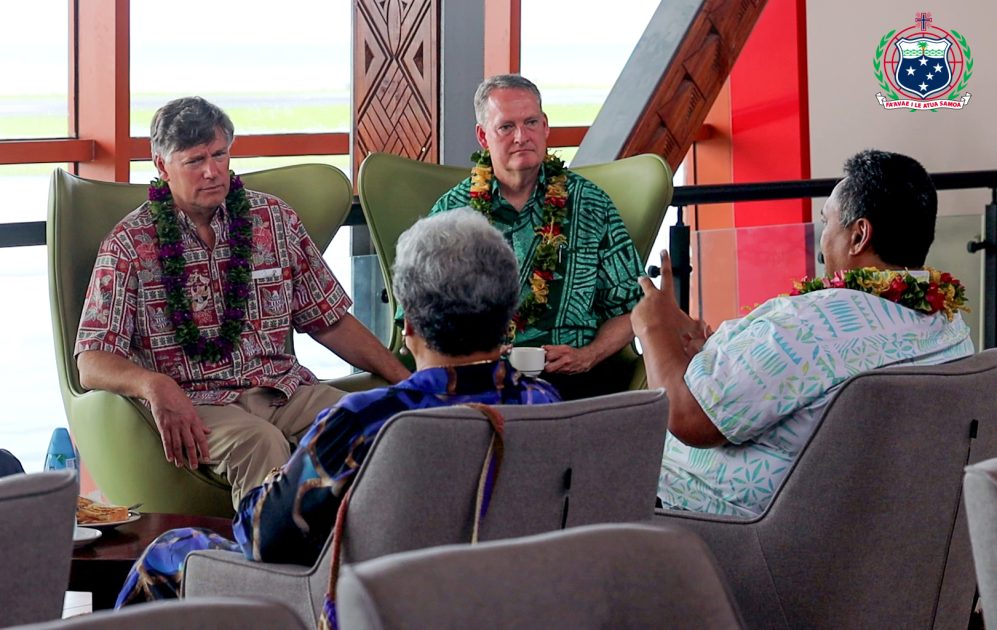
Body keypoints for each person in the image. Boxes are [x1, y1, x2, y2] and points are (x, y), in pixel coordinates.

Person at [114, 208, 561, 609]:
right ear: (507, 318)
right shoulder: (544, 404)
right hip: (501, 604)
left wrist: (274, 483)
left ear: (408, 325)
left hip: (359, 610)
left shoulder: (365, 421)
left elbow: (263, 540)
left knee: (169, 553)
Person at [75, 96, 410, 508]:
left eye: (219, 155)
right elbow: (91, 361)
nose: (212, 171)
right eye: (195, 161)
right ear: (162, 165)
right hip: (197, 402)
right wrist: (154, 385)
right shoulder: (129, 244)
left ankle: (368, 545)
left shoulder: (273, 219)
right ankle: (270, 549)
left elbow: (330, 320)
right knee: (260, 442)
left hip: (283, 389)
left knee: (374, 421)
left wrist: (406, 381)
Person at [632, 149, 973, 517]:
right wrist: (712, 355)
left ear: (859, 236)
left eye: (827, 222)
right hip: (868, 519)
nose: (822, 241)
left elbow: (689, 418)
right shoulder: (948, 324)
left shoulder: (809, 325)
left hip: (729, 522)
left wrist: (652, 325)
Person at [428, 74, 646, 400]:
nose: (521, 137)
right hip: (482, 384)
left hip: (578, 380)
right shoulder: (451, 213)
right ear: (483, 136)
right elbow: (420, 315)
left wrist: (589, 355)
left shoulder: (590, 204)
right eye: (506, 127)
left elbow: (636, 307)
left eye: (530, 122)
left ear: (545, 127)